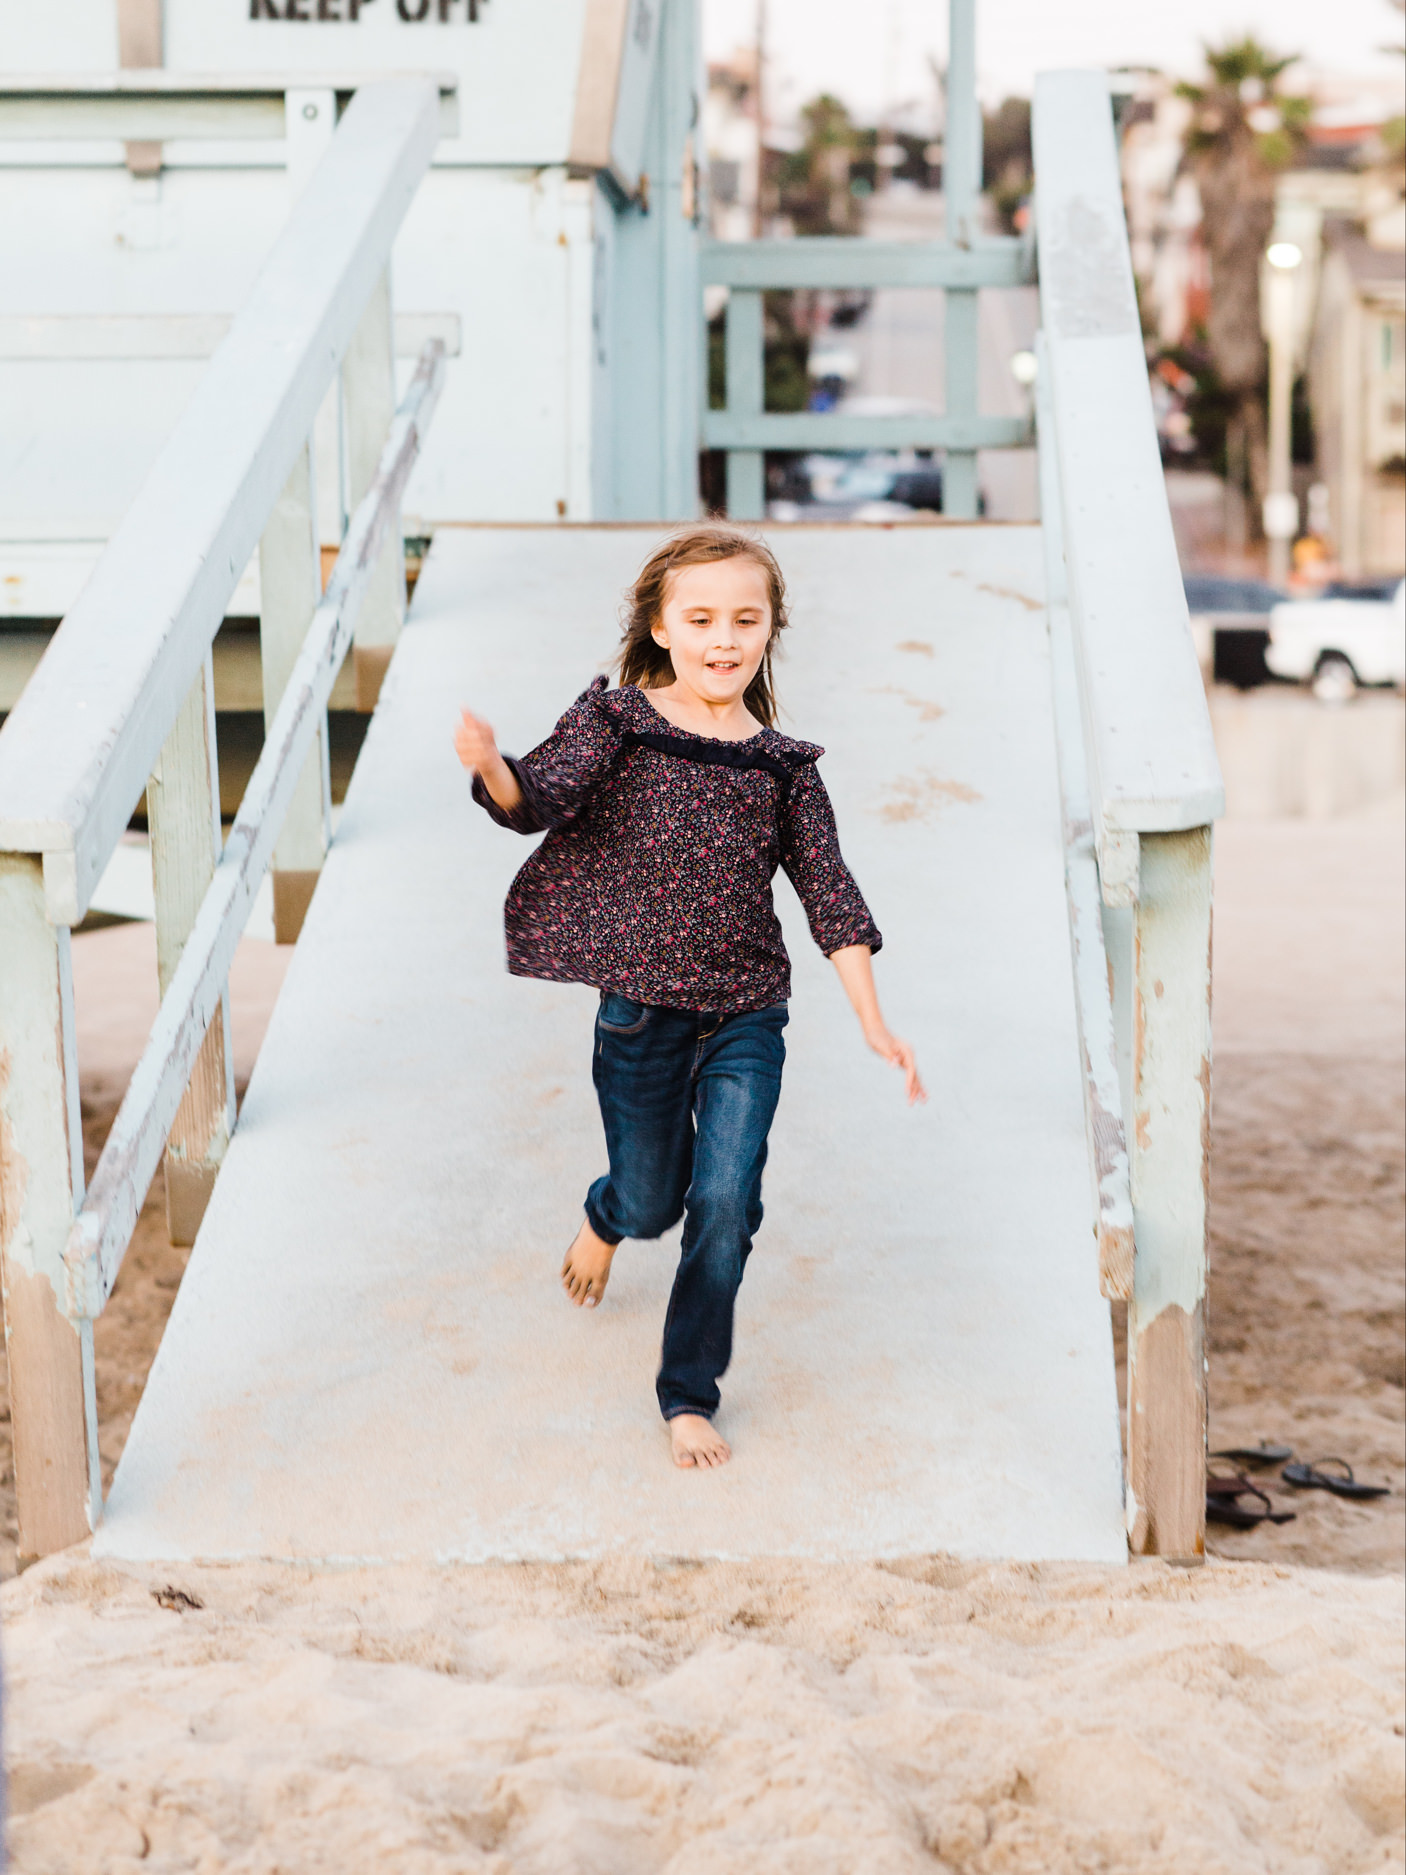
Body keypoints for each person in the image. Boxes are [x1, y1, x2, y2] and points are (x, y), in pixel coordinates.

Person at [454, 526, 924, 1470]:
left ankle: (686, 1393)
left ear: (769, 632)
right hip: (641, 1014)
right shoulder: (621, 723)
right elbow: (537, 797)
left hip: (749, 1014)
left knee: (724, 1198)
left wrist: (874, 1020)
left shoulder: (784, 766)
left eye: (745, 620)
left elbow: (830, 891)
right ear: (662, 629)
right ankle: (606, 1212)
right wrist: (495, 766)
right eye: (701, 618)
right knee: (652, 1197)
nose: (723, 637)